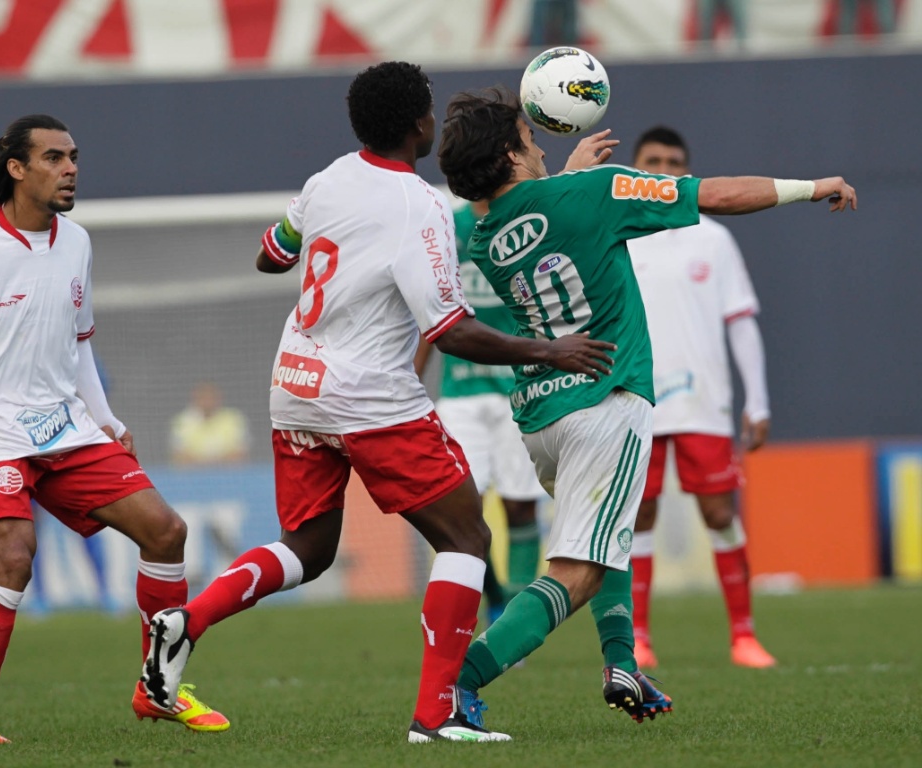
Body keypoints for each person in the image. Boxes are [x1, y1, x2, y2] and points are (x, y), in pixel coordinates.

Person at [138, 62, 616, 744]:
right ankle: (435, 714)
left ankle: (189, 618)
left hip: (295, 388)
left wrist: (320, 251)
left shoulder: (327, 179)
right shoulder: (420, 207)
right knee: (467, 536)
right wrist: (551, 349)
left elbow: (271, 255)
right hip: (369, 396)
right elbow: (449, 330)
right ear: (419, 123)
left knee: (309, 546)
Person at [436, 87, 855, 730]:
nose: (538, 140)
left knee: (611, 536)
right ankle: (456, 685)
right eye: (527, 135)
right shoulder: (597, 191)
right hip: (607, 400)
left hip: (542, 415)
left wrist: (569, 177)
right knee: (576, 573)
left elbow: (541, 218)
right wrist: (811, 184)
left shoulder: (487, 231)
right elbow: (712, 195)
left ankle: (621, 662)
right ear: (511, 154)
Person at [0, 115, 228, 744]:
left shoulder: (76, 241)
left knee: (166, 531)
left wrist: (106, 419)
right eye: (54, 157)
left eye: (73, 156)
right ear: (17, 169)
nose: (70, 168)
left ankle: (158, 688)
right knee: (15, 557)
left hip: (66, 427)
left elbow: (79, 345)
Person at [626, 126, 775, 669]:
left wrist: (756, 401)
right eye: (653, 161)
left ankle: (744, 636)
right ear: (636, 169)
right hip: (635, 403)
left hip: (703, 404)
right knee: (638, 515)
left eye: (674, 162)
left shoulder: (713, 237)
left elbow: (741, 323)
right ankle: (638, 638)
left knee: (719, 512)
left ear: (687, 171)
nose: (664, 170)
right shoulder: (618, 236)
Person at [414, 199, 546, 620]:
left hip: (519, 389)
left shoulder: (528, 223)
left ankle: (518, 623)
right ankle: (496, 596)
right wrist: (410, 384)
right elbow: (429, 314)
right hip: (460, 396)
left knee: (520, 505)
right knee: (458, 512)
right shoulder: (446, 230)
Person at [170, 381, 250, 466]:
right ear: (195, 398)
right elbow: (179, 456)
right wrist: (207, 465)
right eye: (203, 397)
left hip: (229, 475)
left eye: (211, 397)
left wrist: (212, 464)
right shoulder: (182, 421)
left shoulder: (234, 418)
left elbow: (240, 454)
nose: (207, 401)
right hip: (192, 476)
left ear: (218, 398)